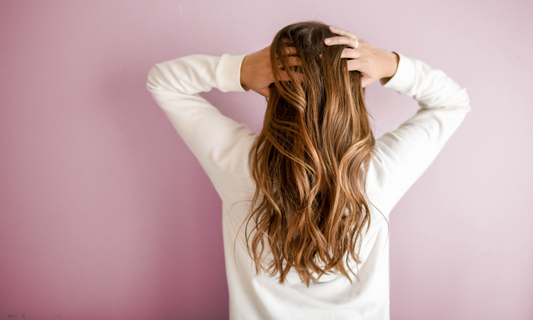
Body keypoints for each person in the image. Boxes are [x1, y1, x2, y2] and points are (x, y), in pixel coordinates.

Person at [146, 21, 470, 320]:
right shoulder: (376, 174)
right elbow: (452, 102)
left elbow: (163, 81)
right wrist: (390, 65)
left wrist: (241, 69)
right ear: (355, 93)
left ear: (272, 89)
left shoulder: (242, 166)